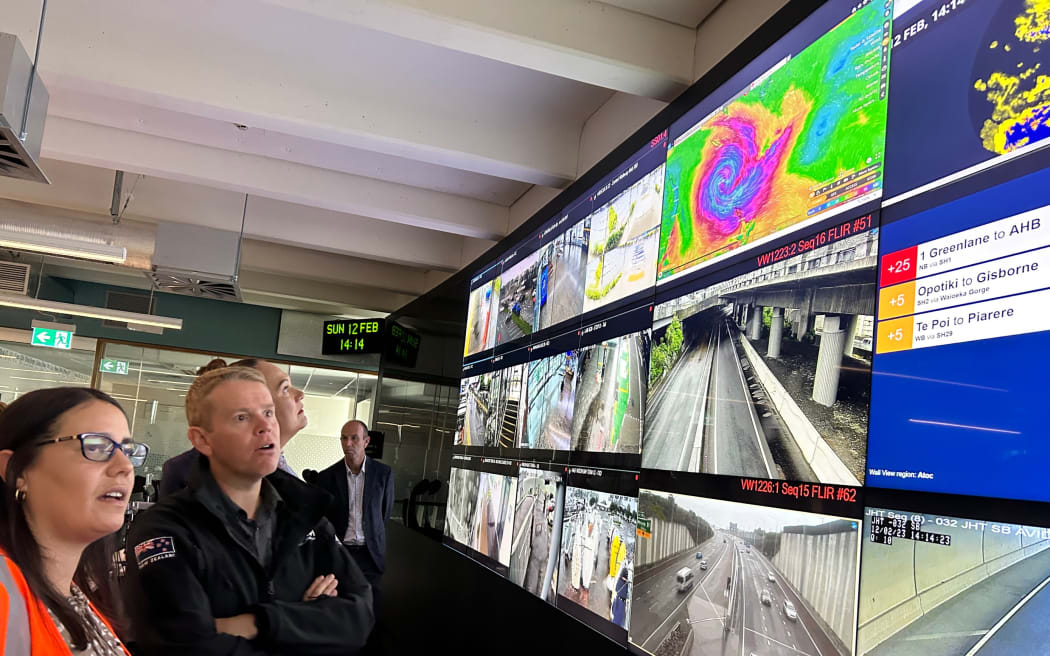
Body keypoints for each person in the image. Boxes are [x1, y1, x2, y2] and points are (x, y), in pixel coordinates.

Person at [123, 366, 373, 654]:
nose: (265, 426)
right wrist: (310, 625)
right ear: (202, 439)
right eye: (242, 417)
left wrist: (258, 622)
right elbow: (186, 646)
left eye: (268, 412)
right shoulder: (166, 530)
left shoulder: (305, 515)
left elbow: (359, 617)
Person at [0, 387, 149, 654]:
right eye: (95, 446)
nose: (125, 466)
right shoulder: (5, 592)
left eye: (127, 450)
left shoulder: (74, 595)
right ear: (17, 470)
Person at [160, 358, 307, 496]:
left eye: (268, 412)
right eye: (285, 388)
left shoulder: (277, 474)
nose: (300, 394)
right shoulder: (189, 474)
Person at [315, 420, 393, 614]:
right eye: (344, 438)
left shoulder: (383, 474)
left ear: (366, 442)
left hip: (371, 555)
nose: (348, 443)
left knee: (372, 610)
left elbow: (384, 514)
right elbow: (322, 520)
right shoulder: (326, 477)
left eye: (354, 438)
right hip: (341, 554)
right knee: (340, 610)